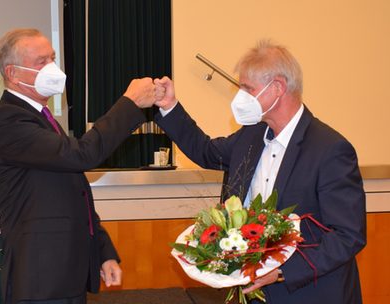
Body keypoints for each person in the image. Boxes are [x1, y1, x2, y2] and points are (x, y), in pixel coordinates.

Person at [153, 40, 366, 303]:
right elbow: (206, 151)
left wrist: (281, 272)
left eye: (247, 88)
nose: (240, 97)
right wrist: (169, 106)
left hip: (309, 293)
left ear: (277, 88)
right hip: (254, 293)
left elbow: (348, 235)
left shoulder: (330, 149)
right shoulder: (251, 136)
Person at [0, 28, 159, 304]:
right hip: (40, 281)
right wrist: (130, 103)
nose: (52, 68)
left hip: (64, 274)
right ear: (12, 74)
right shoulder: (8, 121)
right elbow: (82, 156)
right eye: (41, 62)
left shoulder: (40, 118)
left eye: (52, 58)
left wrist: (102, 251)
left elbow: (74, 193)